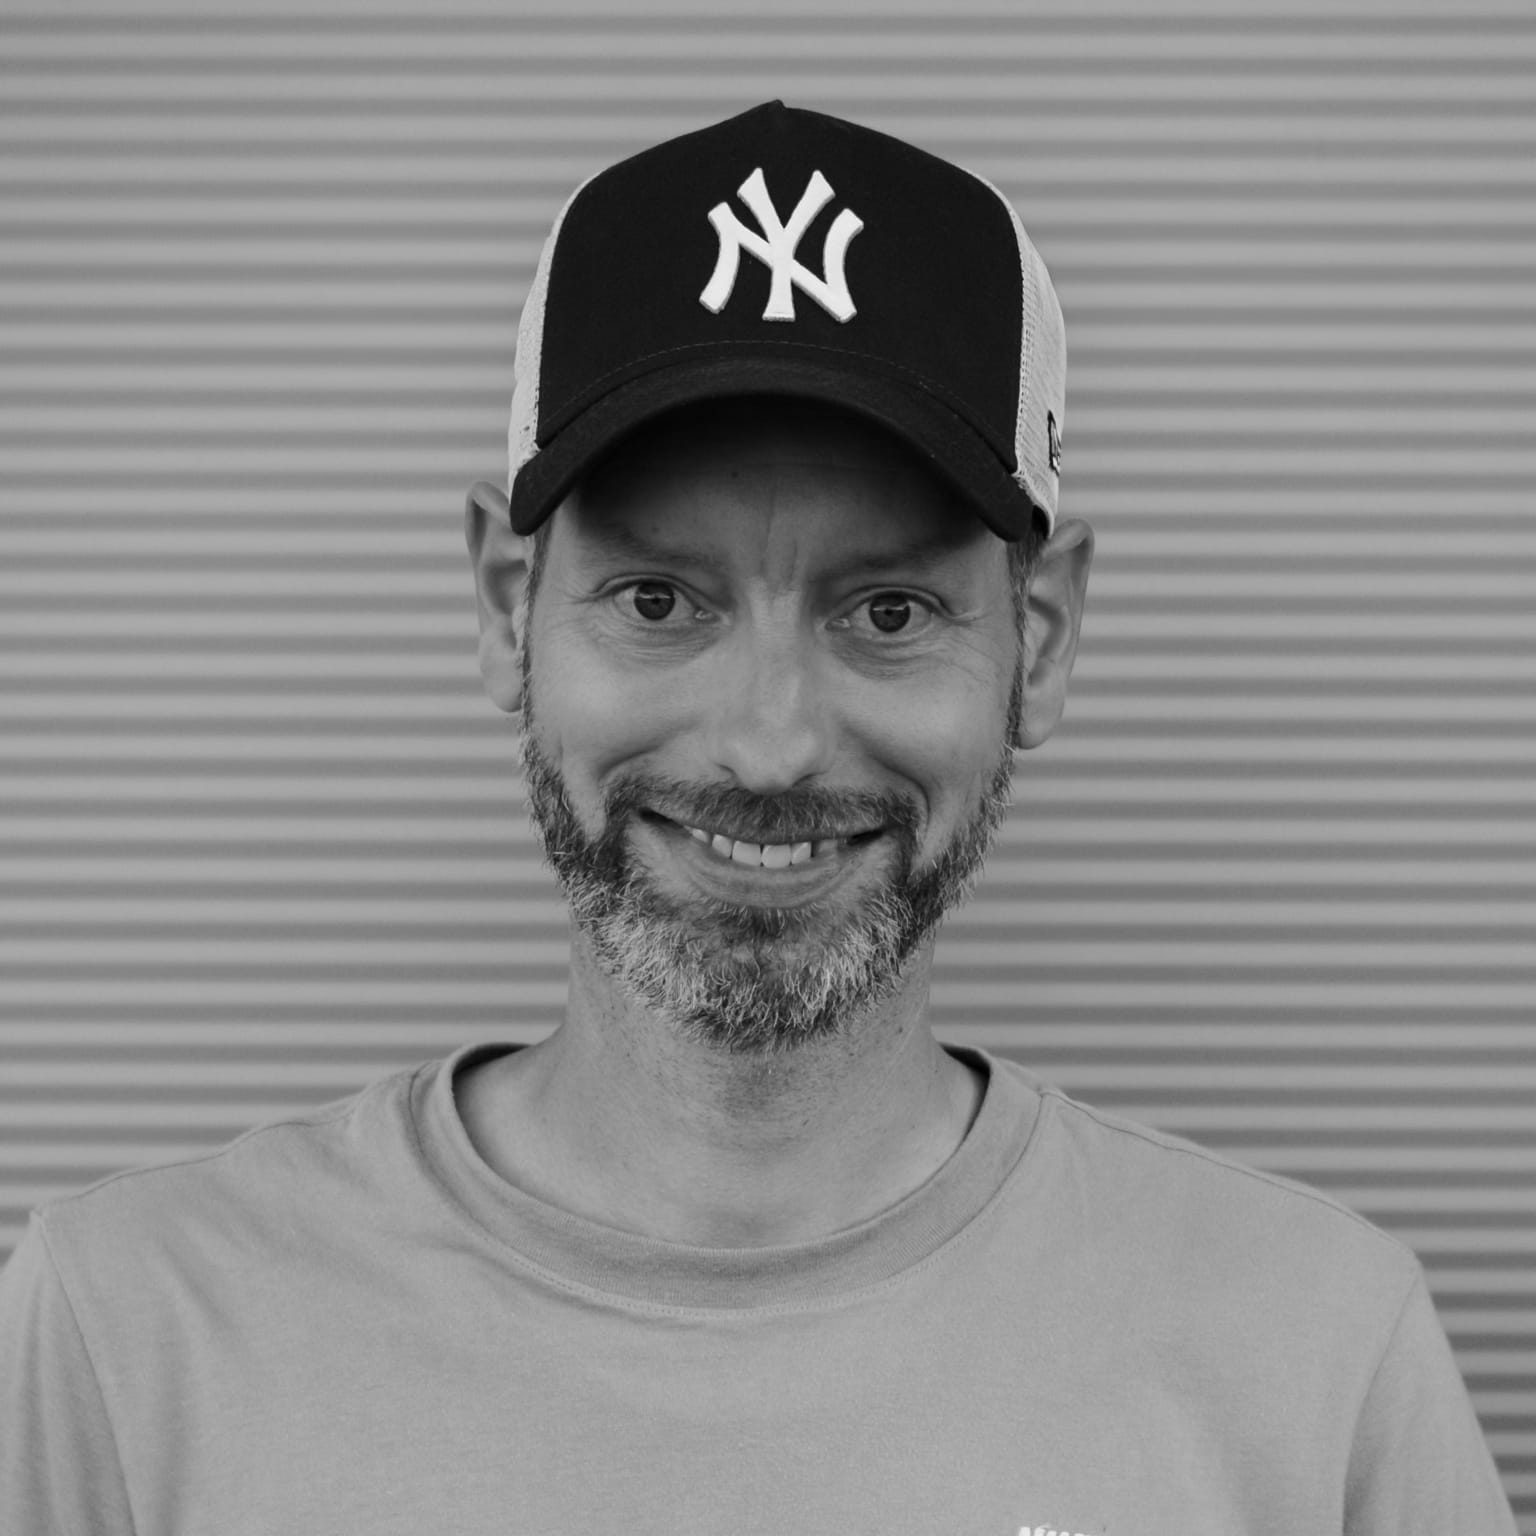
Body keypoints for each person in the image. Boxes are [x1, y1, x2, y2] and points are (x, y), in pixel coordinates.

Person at [0, 101, 1516, 1536]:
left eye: (890, 610)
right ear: (508, 606)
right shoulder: (122, 1338)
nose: (771, 744)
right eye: (659, 599)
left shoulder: (1320, 1357)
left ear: (1042, 638)